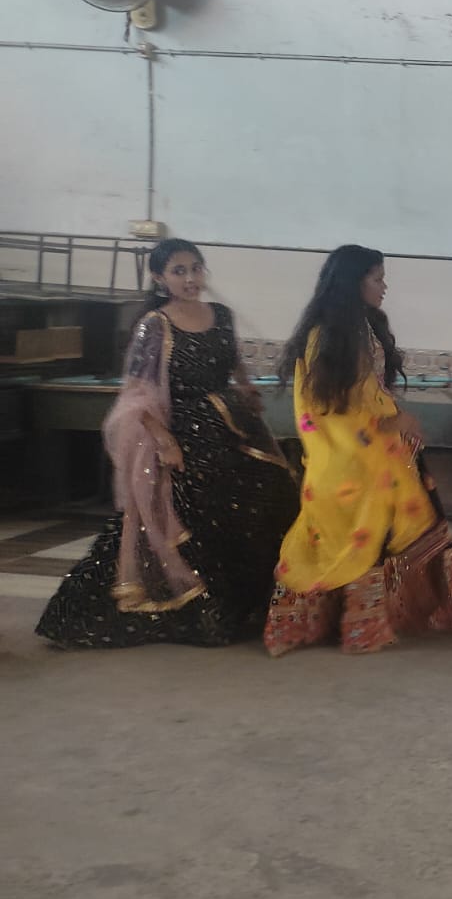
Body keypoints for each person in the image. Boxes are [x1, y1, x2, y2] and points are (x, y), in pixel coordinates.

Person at [36, 239, 298, 649]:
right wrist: (164, 441)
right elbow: (137, 396)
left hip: (231, 425)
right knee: (184, 513)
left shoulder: (222, 315)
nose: (191, 278)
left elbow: (233, 362)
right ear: (160, 278)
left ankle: (245, 604)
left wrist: (246, 389)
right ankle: (198, 612)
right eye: (179, 271)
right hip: (182, 434)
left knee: (269, 492)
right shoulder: (154, 325)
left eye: (196, 268)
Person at [265, 245, 452, 656]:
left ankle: (375, 621)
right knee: (357, 536)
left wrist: (396, 421)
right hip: (347, 457)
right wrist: (394, 421)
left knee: (392, 531)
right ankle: (357, 627)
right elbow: (331, 405)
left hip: (382, 453)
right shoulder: (326, 335)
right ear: (352, 282)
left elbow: (371, 392)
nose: (384, 286)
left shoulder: (364, 326)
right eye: (377, 278)